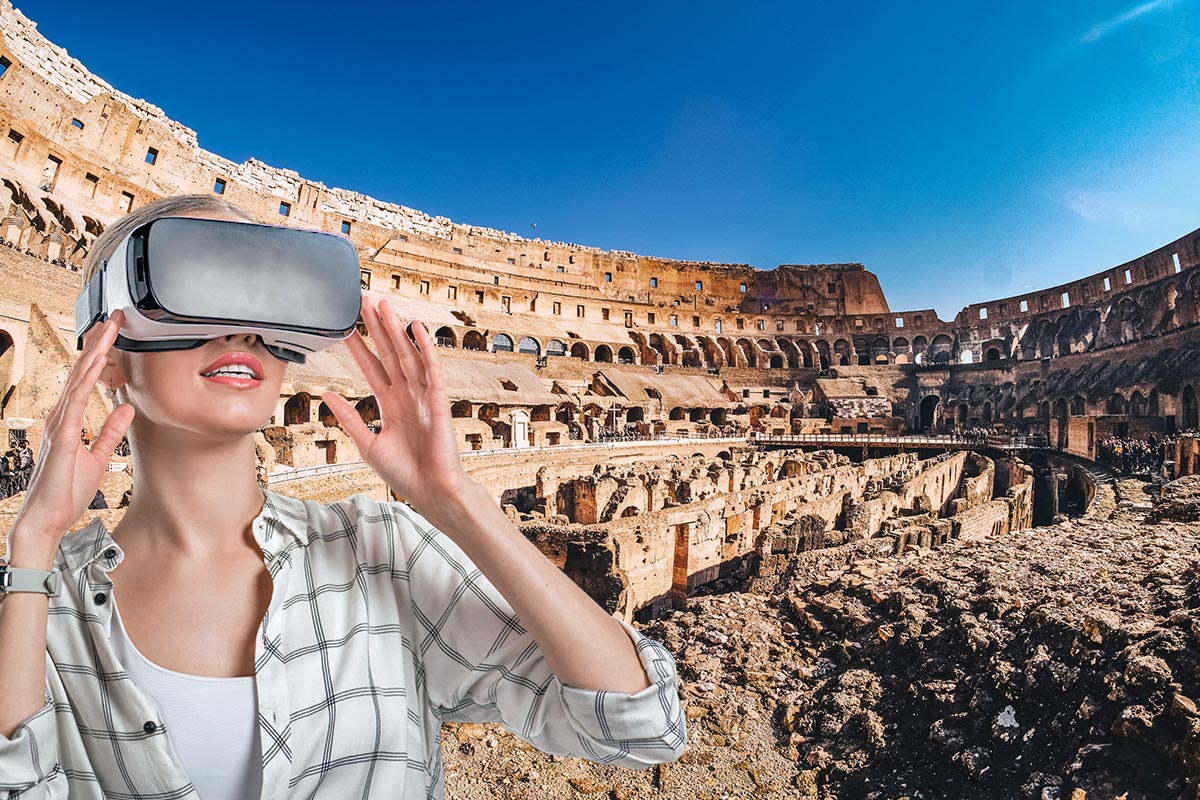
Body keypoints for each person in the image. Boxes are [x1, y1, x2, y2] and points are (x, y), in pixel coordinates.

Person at [0, 195, 686, 799]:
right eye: (198, 283)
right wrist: (31, 549)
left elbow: (638, 726)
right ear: (107, 346)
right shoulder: (39, 601)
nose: (241, 329)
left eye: (263, 298)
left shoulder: (382, 551)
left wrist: (457, 501)